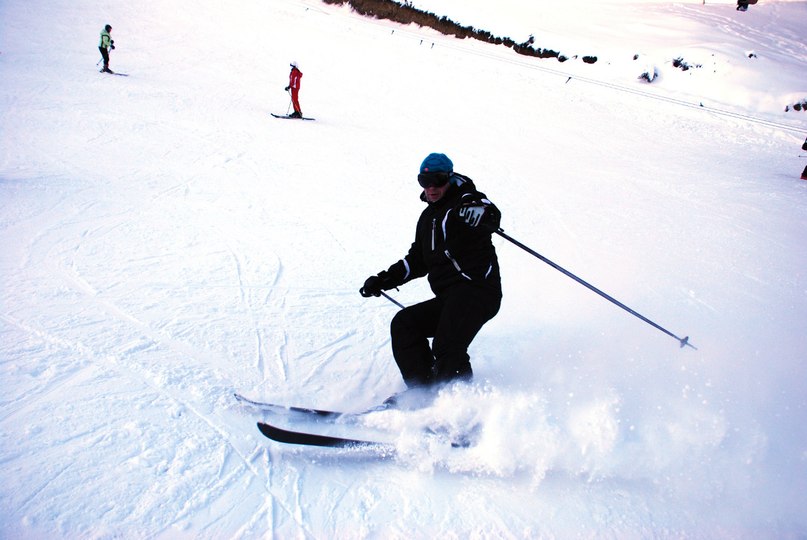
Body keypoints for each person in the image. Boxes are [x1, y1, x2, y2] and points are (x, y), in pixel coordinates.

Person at [360, 153, 502, 390]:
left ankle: (459, 405)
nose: (431, 188)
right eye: (424, 182)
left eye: (438, 180)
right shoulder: (428, 218)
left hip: (478, 291)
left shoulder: (464, 201)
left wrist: (479, 213)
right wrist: (383, 280)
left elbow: (489, 213)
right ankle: (423, 394)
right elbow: (417, 260)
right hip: (450, 298)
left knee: (447, 345)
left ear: (449, 178)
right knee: (405, 324)